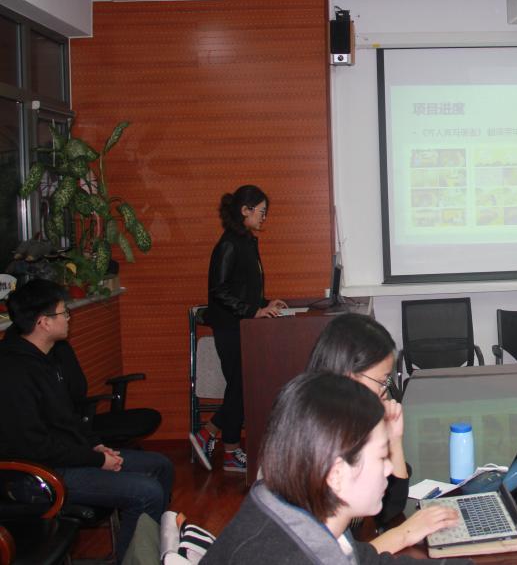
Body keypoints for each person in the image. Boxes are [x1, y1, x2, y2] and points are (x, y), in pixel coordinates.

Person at [202, 372, 468, 564]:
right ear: (337, 474)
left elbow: (367, 560)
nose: (390, 468)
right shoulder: (282, 555)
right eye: (381, 456)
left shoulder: (302, 512)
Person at [0, 279, 174, 563]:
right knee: (147, 492)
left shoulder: (48, 358)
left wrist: (96, 446)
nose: (69, 317)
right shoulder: (14, 373)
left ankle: (150, 552)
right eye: (63, 312)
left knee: (160, 466)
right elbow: (35, 446)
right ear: (44, 322)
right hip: (39, 475)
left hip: (69, 456)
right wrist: (96, 460)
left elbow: (68, 418)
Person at [306, 314, 459, 556]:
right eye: (381, 381)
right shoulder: (317, 439)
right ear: (349, 376)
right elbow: (338, 556)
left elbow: (390, 509)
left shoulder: (348, 421)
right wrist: (404, 533)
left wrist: (394, 439)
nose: (385, 392)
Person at [191, 184, 288, 473]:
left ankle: (226, 446)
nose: (264, 217)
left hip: (243, 325)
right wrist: (252, 311)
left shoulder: (245, 241)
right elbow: (219, 290)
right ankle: (214, 437)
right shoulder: (230, 244)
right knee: (242, 389)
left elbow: (243, 287)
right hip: (231, 328)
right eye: (261, 212)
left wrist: (265, 303)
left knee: (240, 389)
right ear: (245, 210)